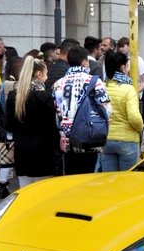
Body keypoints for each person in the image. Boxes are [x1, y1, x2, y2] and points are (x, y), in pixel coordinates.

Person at [53, 46, 111, 175]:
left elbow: (57, 113)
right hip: (90, 139)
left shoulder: (58, 84)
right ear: (84, 62)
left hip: (67, 141)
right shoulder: (95, 81)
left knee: (70, 182)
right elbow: (106, 110)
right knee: (90, 182)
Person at [6, 56, 60, 188]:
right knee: (42, 192)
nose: (47, 77)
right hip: (43, 151)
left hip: (21, 149)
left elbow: (9, 125)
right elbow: (52, 127)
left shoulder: (14, 96)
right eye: (46, 73)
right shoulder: (45, 97)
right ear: (39, 74)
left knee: (24, 191)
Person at [101, 51, 144, 172]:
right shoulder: (129, 89)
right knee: (127, 182)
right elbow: (134, 118)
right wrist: (140, 128)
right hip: (127, 140)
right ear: (123, 67)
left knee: (109, 181)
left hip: (106, 140)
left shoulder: (101, 87)